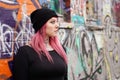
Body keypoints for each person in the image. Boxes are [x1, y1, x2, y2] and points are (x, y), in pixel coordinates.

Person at [13, 8, 68, 80]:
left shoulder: (61, 49)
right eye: (52, 22)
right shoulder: (25, 52)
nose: (57, 25)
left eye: (57, 22)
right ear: (41, 26)